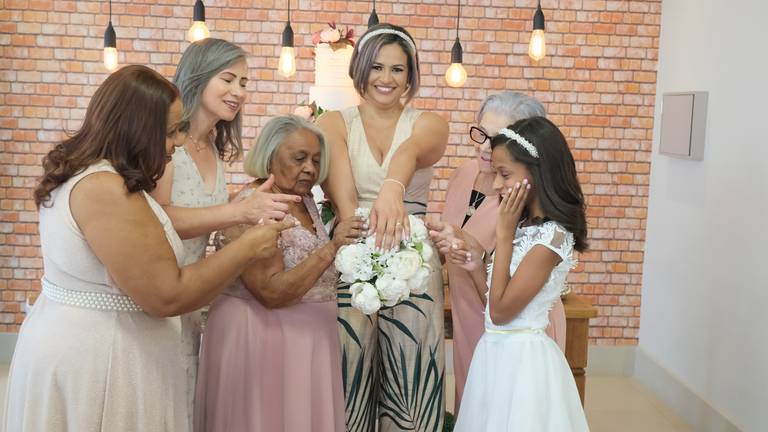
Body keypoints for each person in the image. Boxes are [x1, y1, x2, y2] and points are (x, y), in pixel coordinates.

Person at [3, 65, 294, 432]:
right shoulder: (103, 189)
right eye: (170, 132)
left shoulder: (100, 175)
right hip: (102, 363)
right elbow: (167, 295)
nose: (178, 142)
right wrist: (248, 247)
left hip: (103, 349)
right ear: (135, 129)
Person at [151, 38, 300, 415]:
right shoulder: (168, 144)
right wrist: (238, 212)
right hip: (160, 290)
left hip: (194, 292)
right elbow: (161, 218)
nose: (239, 92)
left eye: (244, 83)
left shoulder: (213, 147)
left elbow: (204, 210)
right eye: (228, 79)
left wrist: (245, 205)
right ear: (198, 77)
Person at [317, 23, 449, 431]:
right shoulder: (333, 123)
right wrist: (358, 242)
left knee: (412, 369)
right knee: (349, 365)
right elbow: (344, 197)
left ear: (410, 75)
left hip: (413, 258)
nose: (385, 78)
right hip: (352, 248)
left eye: (397, 69)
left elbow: (410, 150)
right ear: (360, 69)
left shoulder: (430, 123)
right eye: (376, 67)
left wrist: (393, 188)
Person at [194, 115, 364, 432]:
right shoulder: (254, 205)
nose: (310, 168)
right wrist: (333, 247)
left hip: (308, 344)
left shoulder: (306, 201)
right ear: (270, 156)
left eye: (316, 160)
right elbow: (271, 292)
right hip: (263, 341)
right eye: (299, 158)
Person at [427, 92, 566, 415]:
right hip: (467, 313)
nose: (484, 148)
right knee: (474, 405)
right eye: (481, 134)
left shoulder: (525, 195)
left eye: (497, 139)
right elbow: (455, 240)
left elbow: (520, 272)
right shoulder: (464, 173)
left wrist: (475, 252)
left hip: (513, 324)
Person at [452, 116, 590, 431]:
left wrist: (503, 234)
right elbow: (494, 304)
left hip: (524, 364)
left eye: (504, 174)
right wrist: (477, 267)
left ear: (537, 173)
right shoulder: (524, 228)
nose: (496, 185)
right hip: (495, 354)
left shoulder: (552, 238)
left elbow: (501, 313)